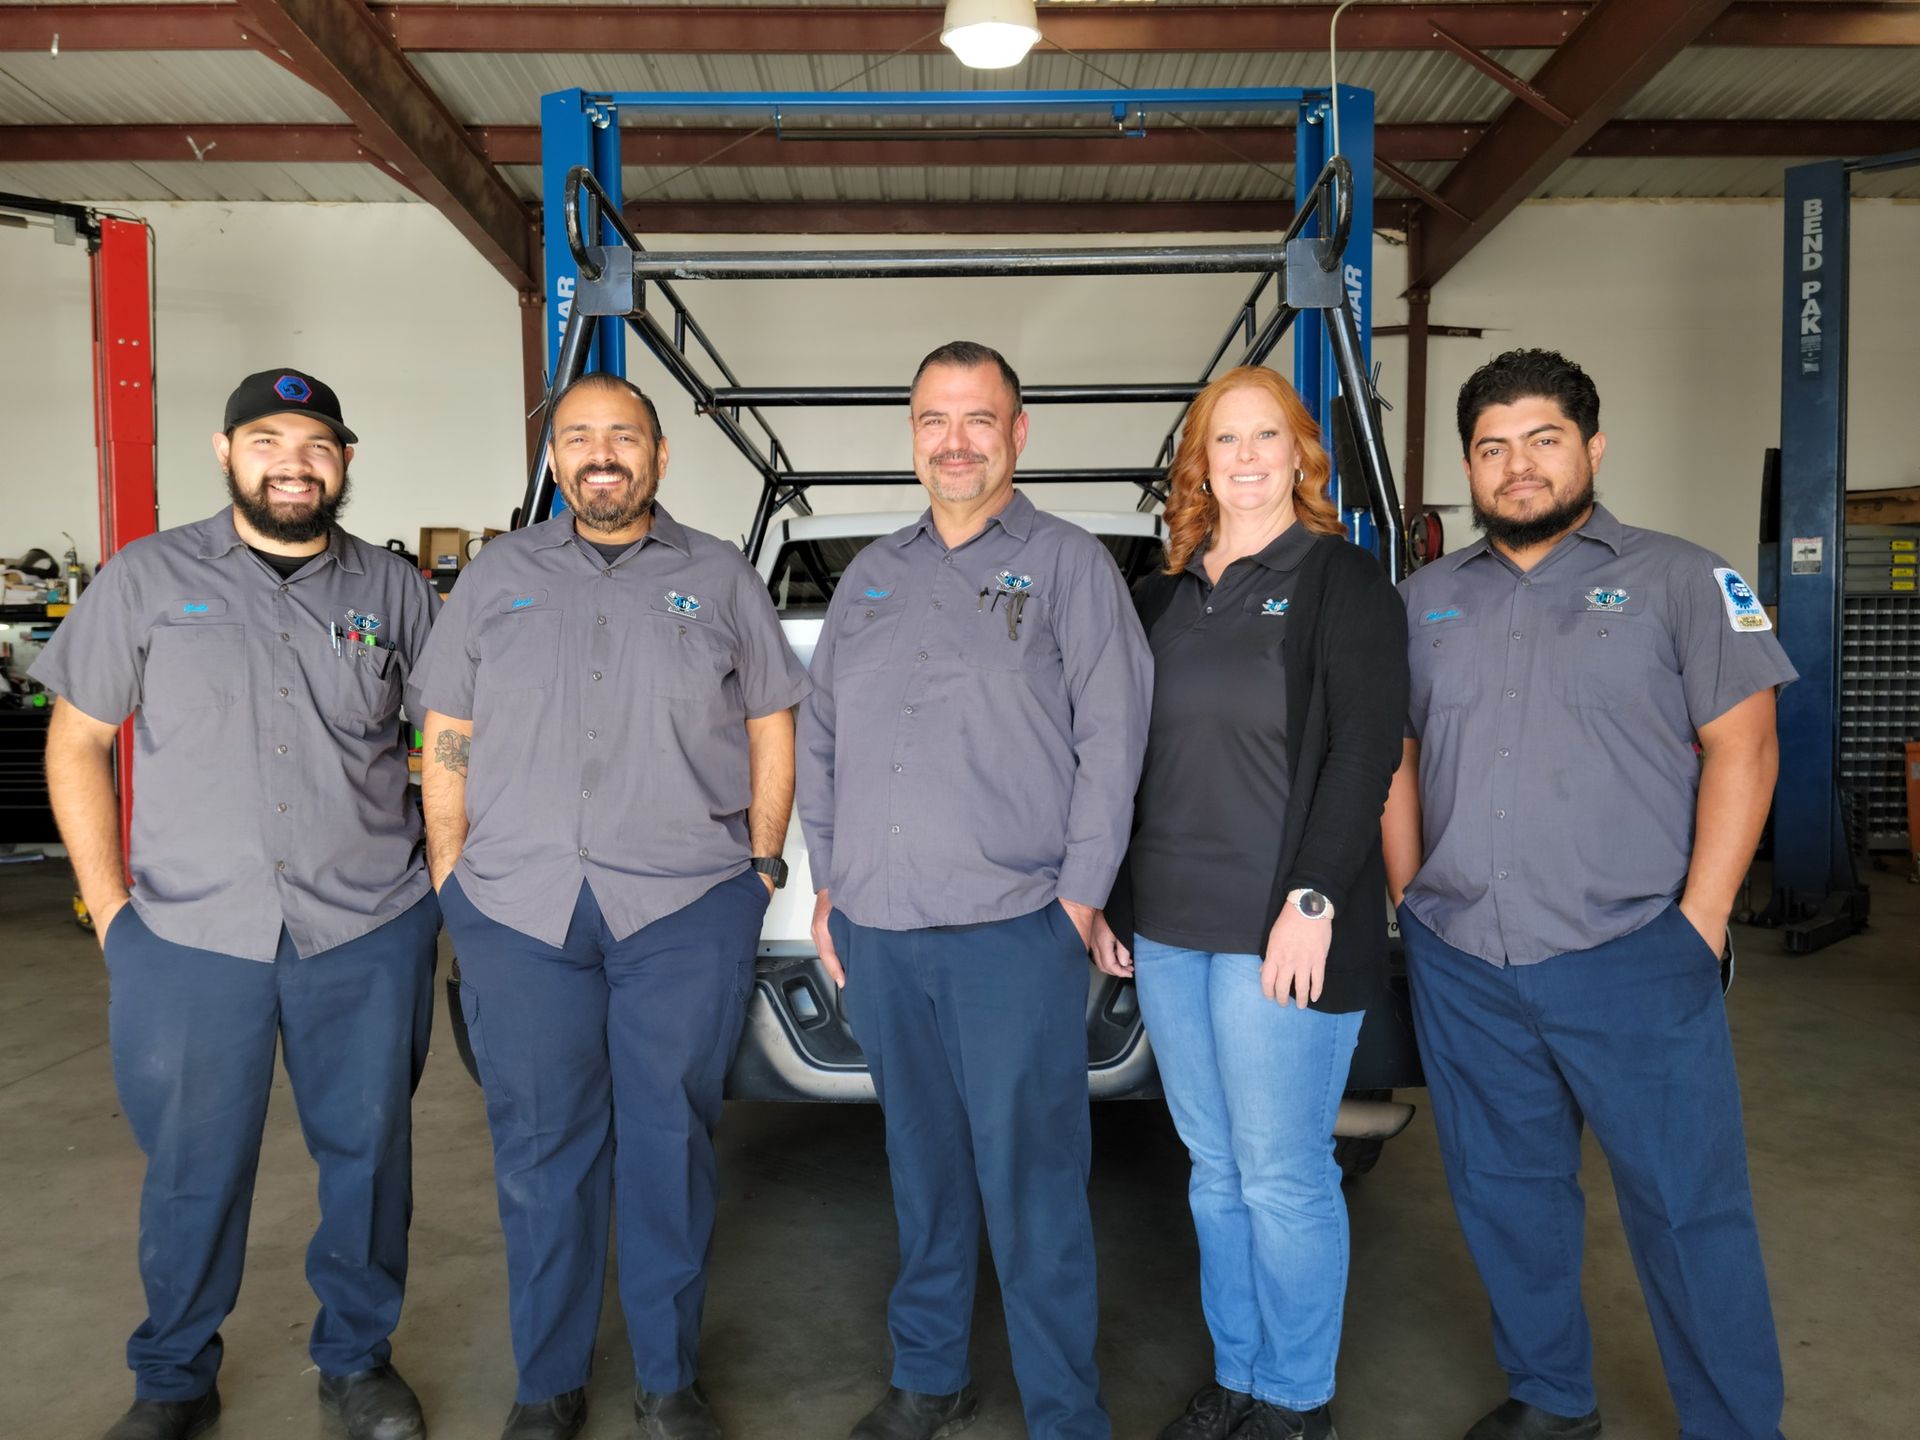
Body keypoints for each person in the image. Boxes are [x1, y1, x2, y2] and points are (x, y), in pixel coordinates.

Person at [1380, 349, 1796, 1440]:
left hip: (1633, 956)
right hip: (1467, 959)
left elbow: (1745, 749)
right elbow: (1396, 758)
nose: (1518, 468)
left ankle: (1736, 1425)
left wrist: (1700, 923)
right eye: (1493, 447)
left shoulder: (1684, 579)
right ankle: (1553, 1397)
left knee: (1686, 1209)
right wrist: (1414, 901)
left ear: (1592, 448)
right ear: (1469, 466)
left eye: (1543, 440)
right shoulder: (1422, 603)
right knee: (1507, 1199)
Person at [35, 369, 443, 1440]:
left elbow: (451, 742)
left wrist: (444, 890)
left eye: (315, 443)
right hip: (188, 932)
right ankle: (173, 1375)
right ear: (227, 453)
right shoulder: (146, 578)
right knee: (191, 1162)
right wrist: (111, 911)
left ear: (345, 461)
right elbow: (76, 738)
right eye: (268, 439)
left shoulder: (395, 591)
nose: (293, 462)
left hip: (365, 926)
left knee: (367, 1158)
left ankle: (357, 1362)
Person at [413, 372, 810, 1440]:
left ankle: (669, 1382)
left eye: (623, 437)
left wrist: (760, 865)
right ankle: (546, 1383)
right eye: (580, 437)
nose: (602, 453)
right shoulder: (498, 576)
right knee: (542, 1151)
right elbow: (446, 727)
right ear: (556, 462)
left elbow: (775, 720)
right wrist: (452, 874)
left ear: (659, 457)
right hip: (521, 912)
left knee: (670, 1146)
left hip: (682, 908)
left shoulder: (720, 577)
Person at [796, 339, 1152, 1440]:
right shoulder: (870, 573)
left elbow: (1116, 736)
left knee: (1034, 1180)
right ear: (914, 436)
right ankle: (929, 1374)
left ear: (1017, 433)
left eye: (978, 419)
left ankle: (1064, 1412)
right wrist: (830, 881)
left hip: (1012, 930)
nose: (955, 441)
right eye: (934, 421)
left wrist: (1083, 895)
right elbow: (822, 736)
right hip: (884, 929)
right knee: (922, 1165)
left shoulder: (1070, 565)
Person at [1089, 365, 1407, 1440]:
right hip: (1172, 931)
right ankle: (1238, 1376)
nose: (1247, 457)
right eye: (1225, 440)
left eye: (1267, 436)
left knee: (1281, 1174)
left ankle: (1298, 1400)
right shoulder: (1160, 597)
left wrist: (1314, 897)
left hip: (1281, 930)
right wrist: (1111, 901)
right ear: (1200, 464)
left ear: (1299, 453)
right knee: (1214, 1172)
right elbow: (1120, 760)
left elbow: (1366, 752)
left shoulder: (1340, 578)